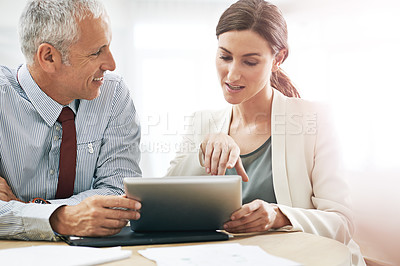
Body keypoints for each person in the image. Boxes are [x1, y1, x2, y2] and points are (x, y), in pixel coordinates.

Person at [166, 0, 364, 265]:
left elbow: (342, 223)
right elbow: (164, 207)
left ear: (278, 59)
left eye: (249, 62)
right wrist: (202, 151)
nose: (232, 75)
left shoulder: (314, 121)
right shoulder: (201, 123)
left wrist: (278, 216)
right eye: (225, 57)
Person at [0, 0, 142, 240]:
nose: (111, 64)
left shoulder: (113, 94)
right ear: (49, 57)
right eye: (96, 52)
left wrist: (30, 211)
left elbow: (119, 195)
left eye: (108, 47)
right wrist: (62, 218)